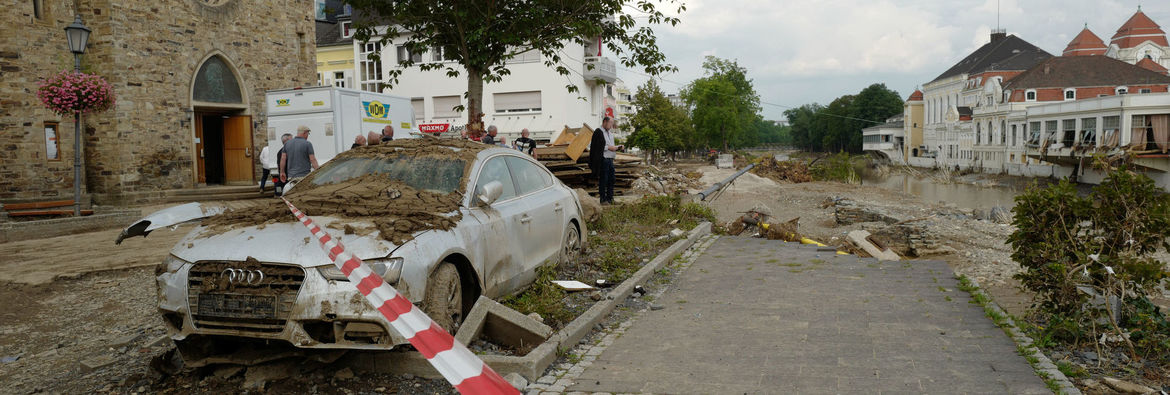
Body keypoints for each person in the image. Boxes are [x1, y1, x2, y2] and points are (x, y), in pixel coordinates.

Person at [589, 117, 621, 204]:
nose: (611, 125)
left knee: (612, 179)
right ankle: (603, 199)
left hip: (610, 159)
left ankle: (610, 198)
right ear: (605, 122)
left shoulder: (610, 134)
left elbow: (611, 146)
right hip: (603, 159)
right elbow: (595, 147)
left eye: (612, 123)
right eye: (610, 123)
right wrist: (608, 148)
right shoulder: (598, 132)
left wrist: (617, 147)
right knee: (604, 179)